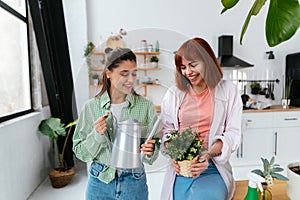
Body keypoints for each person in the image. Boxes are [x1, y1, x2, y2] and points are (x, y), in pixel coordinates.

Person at [160, 37, 242, 200]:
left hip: (212, 166)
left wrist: (207, 154)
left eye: (193, 65)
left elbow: (232, 133)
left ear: (207, 61)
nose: (187, 72)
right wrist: (175, 154)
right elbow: (167, 129)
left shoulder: (228, 91)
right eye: (183, 67)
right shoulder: (174, 94)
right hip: (182, 168)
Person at [73, 48, 160, 200]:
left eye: (134, 73)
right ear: (108, 74)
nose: (131, 79)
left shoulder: (145, 106)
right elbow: (80, 152)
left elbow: (154, 145)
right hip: (100, 181)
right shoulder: (91, 107)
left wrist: (151, 149)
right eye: (124, 73)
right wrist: (97, 136)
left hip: (134, 181)